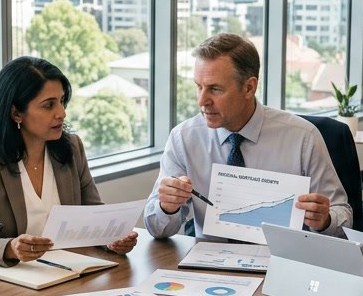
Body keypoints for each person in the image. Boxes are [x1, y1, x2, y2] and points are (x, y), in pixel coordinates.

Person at [145, 33, 351, 239]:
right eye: (198, 87)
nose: (202, 101)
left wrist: (325, 220)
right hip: (209, 264)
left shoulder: (303, 138)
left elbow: (344, 216)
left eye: (215, 89)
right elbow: (157, 229)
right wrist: (166, 207)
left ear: (249, 87)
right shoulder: (184, 138)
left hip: (282, 261)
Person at [0, 56, 137, 265]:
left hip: (68, 272)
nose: (62, 113)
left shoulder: (72, 148)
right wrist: (9, 248)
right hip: (10, 284)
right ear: (16, 112)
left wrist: (112, 238)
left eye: (62, 101)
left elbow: (94, 216)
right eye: (48, 105)